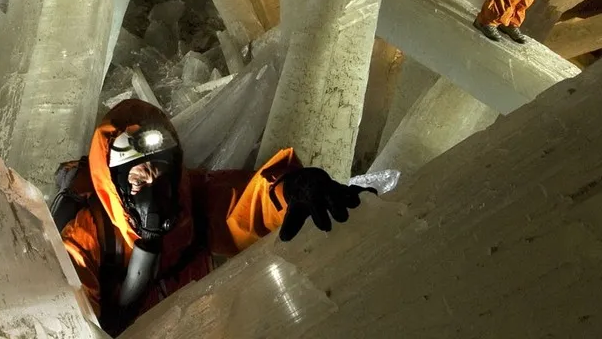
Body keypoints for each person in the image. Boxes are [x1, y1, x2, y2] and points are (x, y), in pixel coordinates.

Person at [59, 99, 373, 335]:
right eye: (138, 181)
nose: (153, 193)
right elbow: (68, 320)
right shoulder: (87, 238)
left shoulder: (193, 201)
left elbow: (249, 203)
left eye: (161, 176)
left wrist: (290, 190)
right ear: (113, 184)